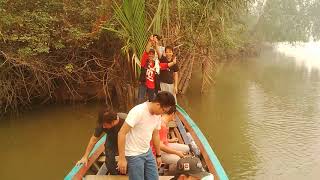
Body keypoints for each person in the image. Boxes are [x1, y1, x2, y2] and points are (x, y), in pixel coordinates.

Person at [118, 91, 176, 180]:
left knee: (154, 178)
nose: (162, 114)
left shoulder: (157, 116)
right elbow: (121, 133)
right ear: (157, 104)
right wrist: (122, 158)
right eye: (163, 111)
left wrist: (158, 155)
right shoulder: (138, 111)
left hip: (147, 151)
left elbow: (155, 135)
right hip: (133, 154)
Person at [76, 109, 127, 175]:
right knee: (109, 162)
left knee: (131, 159)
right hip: (111, 138)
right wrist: (85, 156)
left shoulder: (126, 120)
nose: (103, 127)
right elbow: (93, 140)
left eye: (105, 125)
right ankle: (115, 176)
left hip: (127, 139)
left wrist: (122, 158)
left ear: (113, 122)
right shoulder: (102, 124)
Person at [138, 35, 177, 103]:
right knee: (140, 100)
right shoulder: (144, 62)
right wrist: (150, 41)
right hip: (144, 83)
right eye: (149, 54)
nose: (150, 55)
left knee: (153, 101)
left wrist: (173, 63)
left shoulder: (156, 64)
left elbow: (165, 65)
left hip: (153, 84)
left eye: (152, 54)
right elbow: (147, 51)